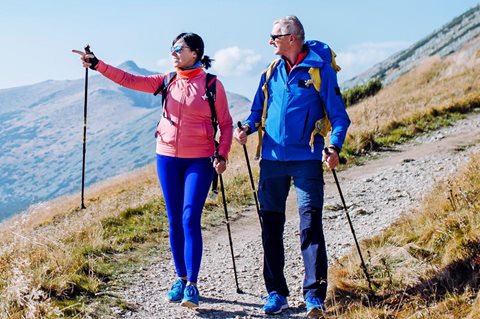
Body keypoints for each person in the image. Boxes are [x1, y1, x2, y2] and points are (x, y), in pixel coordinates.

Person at [72, 33, 233, 309]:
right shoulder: (167, 81)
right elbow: (128, 80)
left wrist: (222, 154)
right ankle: (180, 278)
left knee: (189, 218)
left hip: (200, 159)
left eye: (178, 48)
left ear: (195, 53)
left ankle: (192, 285)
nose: (173, 52)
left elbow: (227, 125)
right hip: (167, 157)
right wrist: (97, 64)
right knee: (173, 220)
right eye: (172, 48)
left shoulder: (211, 85)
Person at [234, 16, 351, 317]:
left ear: (292, 37)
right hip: (272, 160)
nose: (269, 41)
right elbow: (257, 113)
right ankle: (276, 292)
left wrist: (334, 146)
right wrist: (246, 128)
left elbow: (339, 116)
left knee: (310, 225)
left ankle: (314, 296)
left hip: (307, 158)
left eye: (273, 36)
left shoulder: (319, 71)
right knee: (270, 226)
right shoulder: (270, 72)